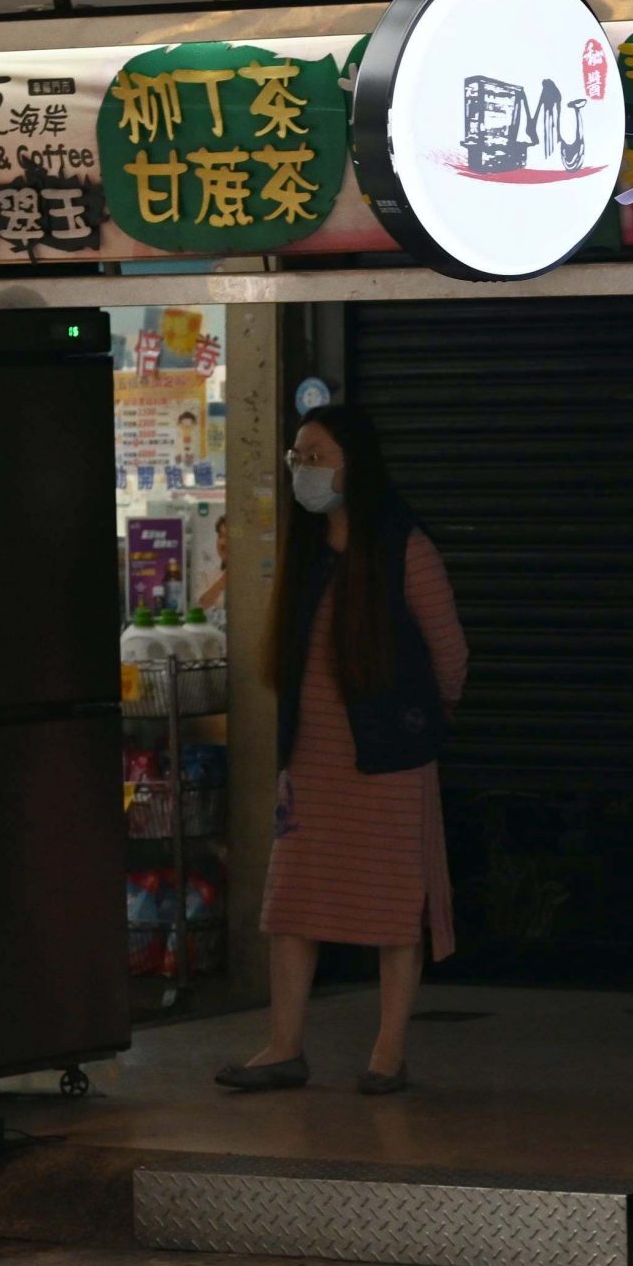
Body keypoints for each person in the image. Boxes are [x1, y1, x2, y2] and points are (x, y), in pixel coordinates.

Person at [216, 405, 470, 1097]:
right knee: (291, 900)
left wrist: (421, 722)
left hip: (389, 755)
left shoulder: (403, 546)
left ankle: (387, 1052)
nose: (305, 470)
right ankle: (283, 1045)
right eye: (297, 457)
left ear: (357, 463)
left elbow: (450, 652)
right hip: (313, 756)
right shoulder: (303, 551)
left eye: (318, 455)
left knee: (393, 906)